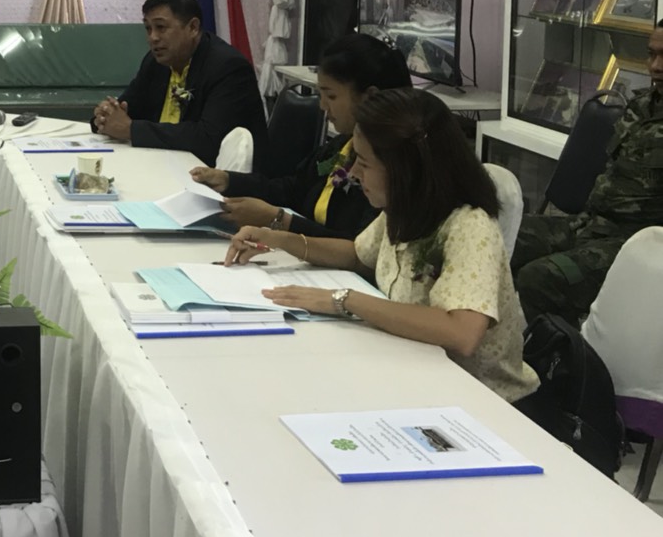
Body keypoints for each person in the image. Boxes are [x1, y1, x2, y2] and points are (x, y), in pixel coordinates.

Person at [224, 89, 539, 404]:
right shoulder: (405, 206)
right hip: (414, 372)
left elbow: (462, 333)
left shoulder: (469, 225)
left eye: (363, 162)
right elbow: (357, 254)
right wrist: (280, 238)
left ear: (405, 170)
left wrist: (344, 300)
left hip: (481, 399)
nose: (354, 173)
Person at [511, 19, 663, 326]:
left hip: (634, 245)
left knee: (540, 278)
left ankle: (561, 352)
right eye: (651, 54)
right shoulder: (641, 106)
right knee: (498, 235)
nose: (655, 66)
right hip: (591, 224)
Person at [189, 32, 411, 237]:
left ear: (369, 96)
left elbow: (359, 249)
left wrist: (278, 220)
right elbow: (294, 189)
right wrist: (229, 180)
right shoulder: (342, 145)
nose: (322, 106)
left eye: (331, 96)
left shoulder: (392, 167)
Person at [92, 0, 265, 164]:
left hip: (211, 171)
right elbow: (128, 108)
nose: (153, 38)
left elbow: (209, 139)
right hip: (162, 162)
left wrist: (131, 130)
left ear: (193, 27)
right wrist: (106, 116)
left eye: (161, 27)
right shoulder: (155, 62)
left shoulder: (228, 67)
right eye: (148, 28)